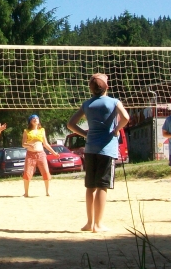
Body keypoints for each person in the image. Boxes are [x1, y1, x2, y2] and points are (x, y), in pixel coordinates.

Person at [67, 73, 129, 233]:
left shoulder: (87, 104)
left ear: (90, 88)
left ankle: (89, 223)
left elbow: (70, 124)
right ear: (107, 86)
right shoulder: (114, 102)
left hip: (90, 149)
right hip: (106, 149)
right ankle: (98, 224)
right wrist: (116, 129)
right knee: (102, 186)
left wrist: (85, 134)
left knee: (90, 187)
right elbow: (126, 117)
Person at [22, 114, 59, 197]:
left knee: (45, 172)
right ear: (30, 121)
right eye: (33, 118)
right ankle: (26, 193)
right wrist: (29, 145)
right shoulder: (26, 131)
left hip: (41, 154)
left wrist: (54, 153)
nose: (35, 119)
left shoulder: (42, 130)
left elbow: (46, 144)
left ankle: (47, 192)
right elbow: (23, 144)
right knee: (27, 173)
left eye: (37, 118)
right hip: (30, 154)